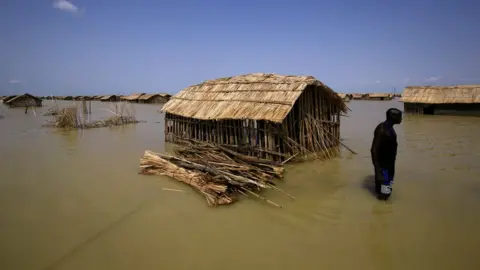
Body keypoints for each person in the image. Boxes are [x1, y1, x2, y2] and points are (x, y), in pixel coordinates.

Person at [370, 108, 402, 200]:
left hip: (390, 165)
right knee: (384, 194)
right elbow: (374, 150)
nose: (401, 118)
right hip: (383, 167)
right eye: (400, 116)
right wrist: (378, 171)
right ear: (393, 117)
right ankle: (380, 212)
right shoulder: (381, 129)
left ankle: (383, 211)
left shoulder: (390, 128)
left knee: (387, 191)